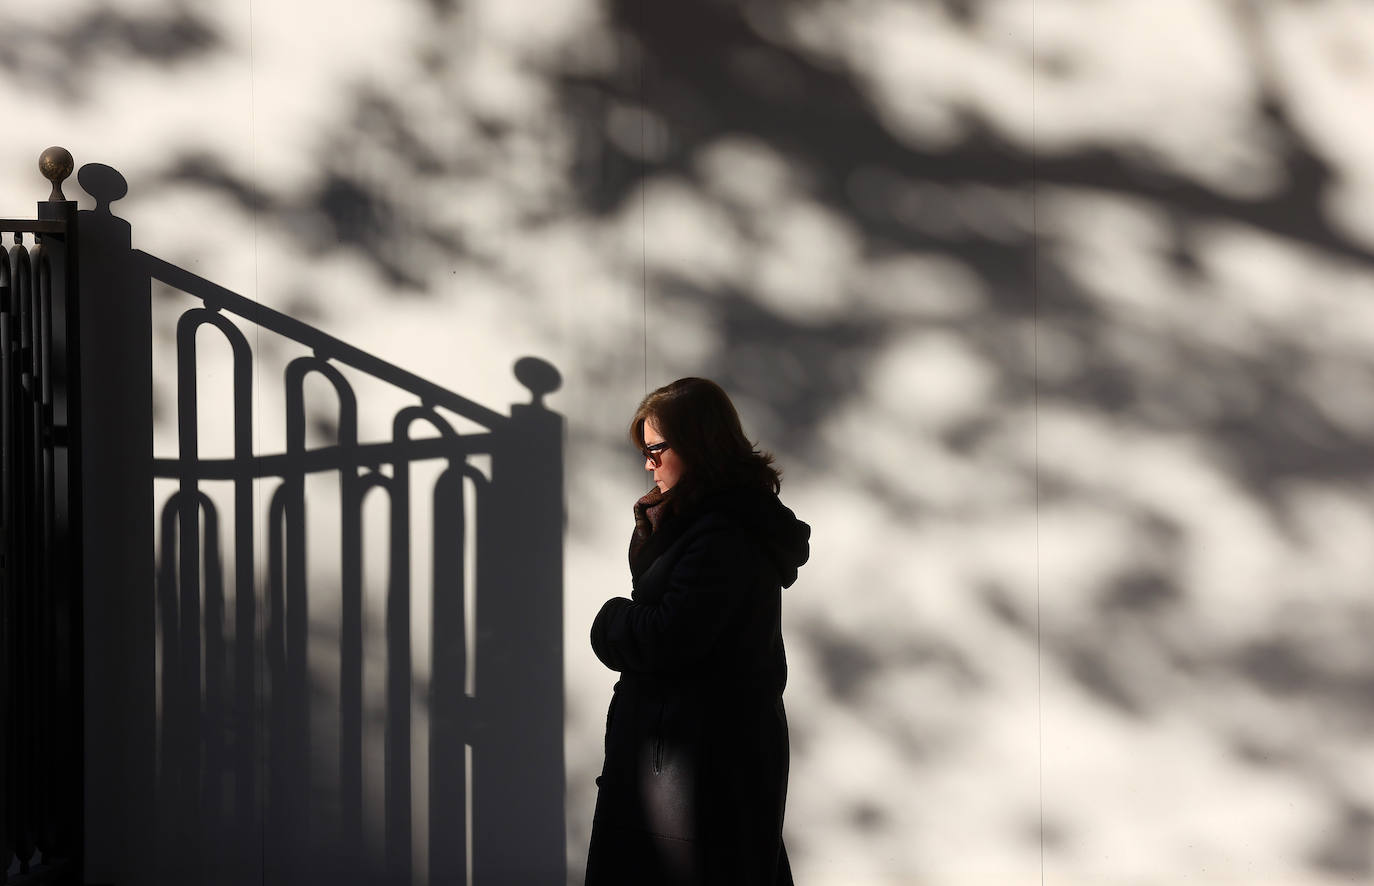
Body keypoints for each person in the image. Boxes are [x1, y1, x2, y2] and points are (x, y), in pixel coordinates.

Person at [585, 377, 810, 885]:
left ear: (699, 442)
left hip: (698, 771)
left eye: (657, 449)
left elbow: (669, 635)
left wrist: (608, 620)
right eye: (645, 451)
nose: (649, 464)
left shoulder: (723, 532)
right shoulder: (711, 522)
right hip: (693, 765)